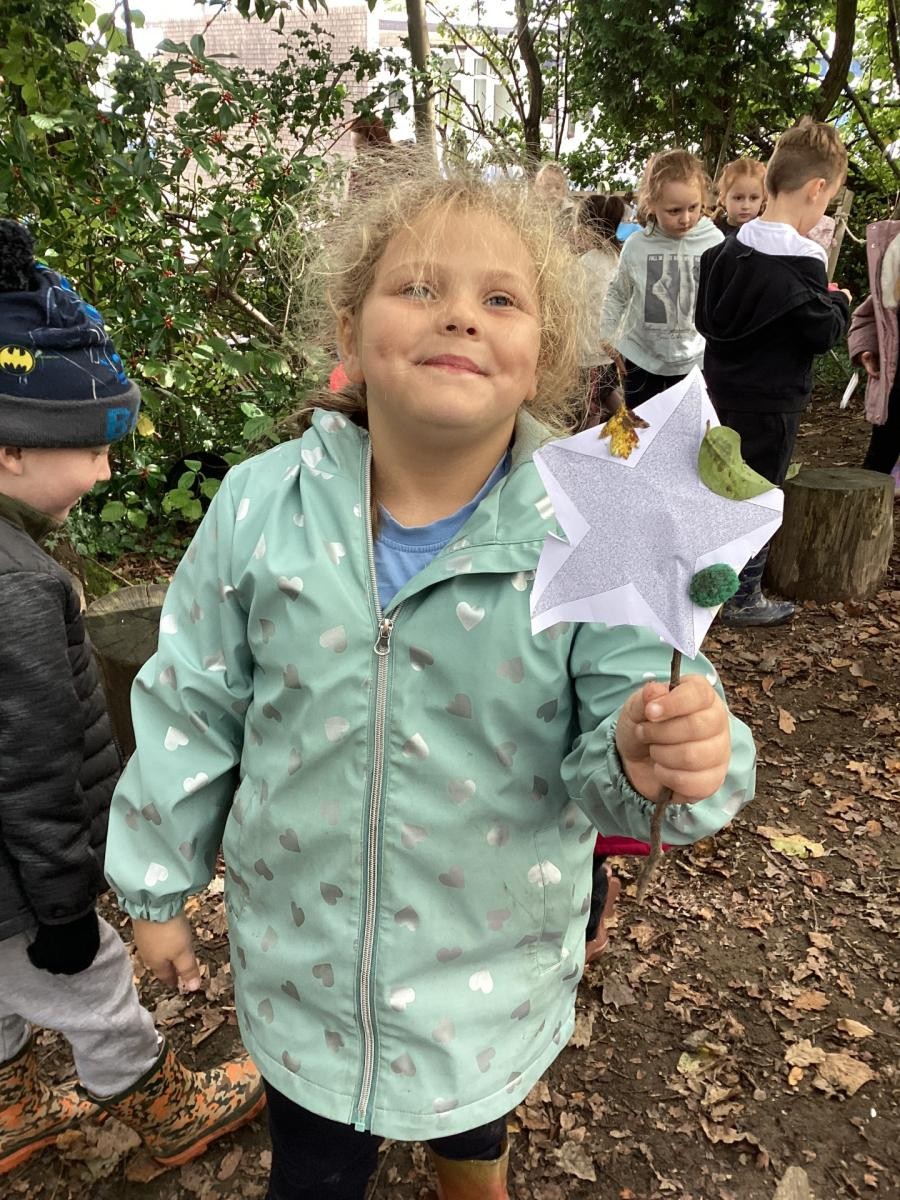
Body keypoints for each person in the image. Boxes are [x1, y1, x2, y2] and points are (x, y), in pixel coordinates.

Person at [103, 161, 757, 1200]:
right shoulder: (262, 508)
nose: (458, 315)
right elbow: (192, 701)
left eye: (500, 298)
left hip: (493, 964)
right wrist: (153, 884)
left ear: (544, 348)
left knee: (474, 1106)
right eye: (418, 288)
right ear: (349, 326)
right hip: (307, 968)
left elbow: (630, 741)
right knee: (314, 1170)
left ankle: (473, 1169)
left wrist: (657, 751)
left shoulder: (594, 523)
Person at [0, 219, 266, 1176]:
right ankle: (154, 1099)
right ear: (11, 453)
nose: (109, 467)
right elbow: (31, 762)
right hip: (22, 893)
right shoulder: (17, 588)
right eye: (91, 444)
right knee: (93, 991)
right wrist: (69, 909)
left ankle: (11, 1099)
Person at [695, 117, 852, 626]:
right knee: (760, 493)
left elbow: (705, 316)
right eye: (826, 201)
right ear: (816, 189)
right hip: (772, 403)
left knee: (716, 482)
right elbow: (821, 331)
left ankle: (701, 573)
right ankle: (741, 593)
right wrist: (841, 303)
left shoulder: (725, 250)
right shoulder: (803, 260)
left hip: (720, 393)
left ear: (767, 185)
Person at [599, 149, 723, 408]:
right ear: (651, 204)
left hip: (694, 360)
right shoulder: (636, 246)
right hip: (642, 359)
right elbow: (618, 292)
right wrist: (607, 335)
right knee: (643, 428)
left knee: (687, 430)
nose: (686, 218)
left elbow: (723, 299)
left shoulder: (714, 242)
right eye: (674, 210)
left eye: (694, 207)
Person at [848, 217, 900, 480]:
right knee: (875, 472)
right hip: (893, 394)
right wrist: (866, 349)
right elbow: (871, 315)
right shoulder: (894, 255)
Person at [574, 193, 626, 427]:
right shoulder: (618, 258)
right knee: (606, 392)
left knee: (592, 403)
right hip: (610, 346)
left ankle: (588, 441)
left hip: (588, 351)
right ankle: (633, 424)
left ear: (587, 228)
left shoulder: (584, 264)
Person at [713, 158, 766, 236]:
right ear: (723, 198)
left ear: (763, 198)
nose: (746, 206)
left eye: (753, 198)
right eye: (738, 198)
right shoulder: (713, 231)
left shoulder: (764, 232)